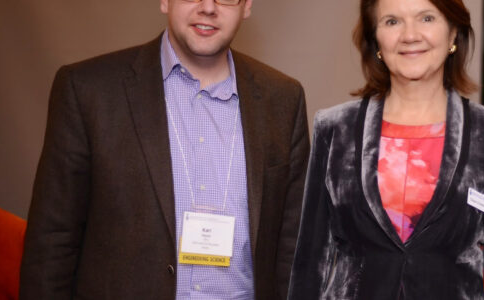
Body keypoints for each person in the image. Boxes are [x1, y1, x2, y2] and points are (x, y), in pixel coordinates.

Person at [20, 0, 309, 299]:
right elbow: (51, 244)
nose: (208, 7)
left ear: (247, 6)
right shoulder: (88, 91)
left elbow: (295, 249)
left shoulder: (283, 101)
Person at [287, 0, 484, 299]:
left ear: (453, 33)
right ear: (375, 41)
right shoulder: (335, 129)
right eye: (392, 22)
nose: (410, 35)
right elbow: (310, 261)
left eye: (426, 18)